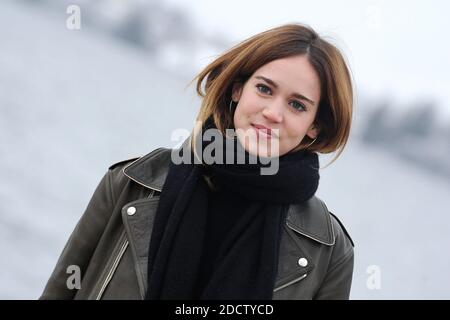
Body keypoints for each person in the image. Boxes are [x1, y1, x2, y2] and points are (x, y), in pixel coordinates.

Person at [40, 23, 355, 300]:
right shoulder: (129, 183)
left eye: (297, 105)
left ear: (315, 125)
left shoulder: (330, 250)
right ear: (237, 90)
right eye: (263, 89)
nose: (273, 112)